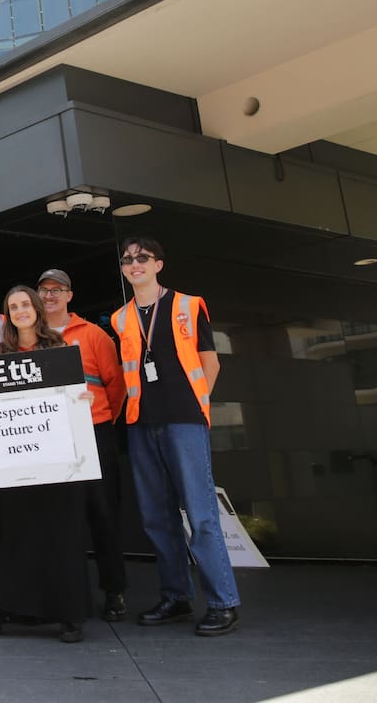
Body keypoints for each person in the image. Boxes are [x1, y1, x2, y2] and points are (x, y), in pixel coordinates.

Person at [112, 236, 240, 636]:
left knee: (201, 515)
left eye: (143, 258)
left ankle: (222, 603)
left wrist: (195, 406)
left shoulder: (187, 304)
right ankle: (176, 597)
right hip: (141, 422)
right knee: (156, 517)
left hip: (183, 421)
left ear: (158, 265)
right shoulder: (120, 318)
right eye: (128, 259)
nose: (135, 264)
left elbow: (209, 363)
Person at [0, 286, 92, 643]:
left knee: (61, 534)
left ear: (36, 309)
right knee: (15, 536)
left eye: (25, 304)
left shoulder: (60, 349)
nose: (20, 311)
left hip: (60, 460)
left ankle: (69, 613)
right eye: (13, 306)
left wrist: (83, 398)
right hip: (15, 461)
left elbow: (78, 395)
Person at [36, 268, 128, 621]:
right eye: (44, 290)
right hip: (49, 439)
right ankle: (68, 594)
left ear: (70, 295)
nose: (50, 296)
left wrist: (100, 416)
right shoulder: (32, 337)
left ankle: (114, 590)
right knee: (60, 519)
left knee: (103, 514)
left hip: (94, 433)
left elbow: (115, 386)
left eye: (58, 289)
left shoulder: (93, 335)